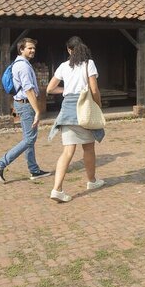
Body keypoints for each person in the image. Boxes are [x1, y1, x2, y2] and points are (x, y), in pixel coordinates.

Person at [46, 36, 105, 203]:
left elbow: (50, 89)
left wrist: (66, 90)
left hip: (67, 111)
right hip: (84, 109)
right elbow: (94, 89)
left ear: (69, 50)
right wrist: (98, 106)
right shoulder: (89, 64)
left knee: (67, 152)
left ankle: (57, 189)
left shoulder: (63, 66)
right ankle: (92, 181)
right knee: (88, 148)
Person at [0, 37, 52, 183]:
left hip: (22, 103)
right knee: (30, 139)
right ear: (21, 49)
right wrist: (38, 111)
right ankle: (0, 164)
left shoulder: (20, 63)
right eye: (29, 48)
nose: (33, 50)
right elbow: (28, 90)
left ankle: (34, 170)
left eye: (34, 48)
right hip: (26, 105)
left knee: (28, 138)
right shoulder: (23, 66)